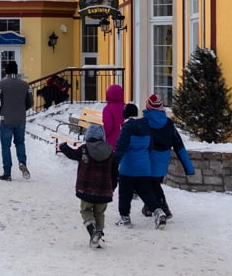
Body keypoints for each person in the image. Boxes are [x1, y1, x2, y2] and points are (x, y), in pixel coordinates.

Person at [113, 93, 195, 229]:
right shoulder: (169, 124)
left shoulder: (145, 123)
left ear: (147, 107)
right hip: (162, 162)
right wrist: (188, 167)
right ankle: (153, 209)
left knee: (149, 187)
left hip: (148, 161)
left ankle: (163, 209)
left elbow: (139, 143)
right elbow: (179, 145)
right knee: (151, 186)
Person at [58, 124, 115, 249]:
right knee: (100, 213)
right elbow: (114, 170)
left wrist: (63, 147)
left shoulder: (84, 149)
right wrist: (112, 187)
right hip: (104, 190)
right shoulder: (110, 151)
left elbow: (73, 154)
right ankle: (98, 236)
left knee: (86, 210)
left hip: (86, 189)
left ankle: (93, 232)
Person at [0, 60, 33, 181]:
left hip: (6, 119)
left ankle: (7, 173)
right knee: (20, 142)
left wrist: (1, 111)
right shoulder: (25, 85)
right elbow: (31, 102)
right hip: (20, 119)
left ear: (6, 71)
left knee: (6, 146)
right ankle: (22, 162)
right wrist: (22, 110)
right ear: (16, 71)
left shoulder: (2, 84)